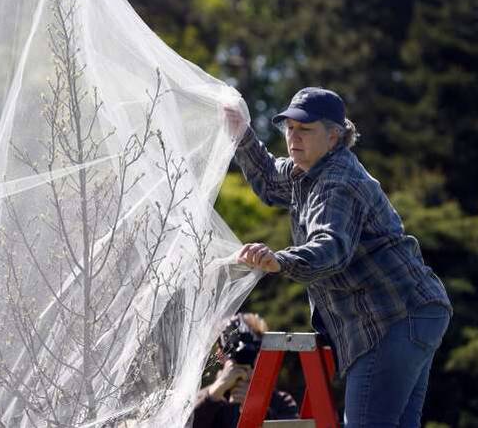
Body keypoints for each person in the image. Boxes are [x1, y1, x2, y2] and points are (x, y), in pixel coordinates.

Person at [224, 87, 452, 428]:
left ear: (334, 136)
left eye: (306, 130)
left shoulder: (337, 182)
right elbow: (270, 180)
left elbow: (331, 248)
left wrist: (279, 260)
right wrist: (242, 133)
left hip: (393, 319)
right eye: (289, 128)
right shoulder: (308, 171)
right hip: (413, 313)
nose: (293, 137)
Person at [191, 313, 298, 428]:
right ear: (220, 355)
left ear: (260, 354)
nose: (242, 364)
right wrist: (213, 396)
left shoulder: (279, 402)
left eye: (251, 355)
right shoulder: (200, 400)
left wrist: (256, 408)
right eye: (234, 355)